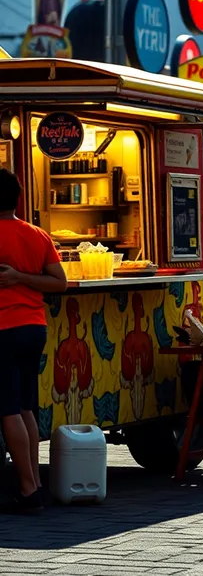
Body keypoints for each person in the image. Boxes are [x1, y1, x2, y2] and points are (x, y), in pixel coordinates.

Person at [0, 168, 67, 512]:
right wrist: (25, 278)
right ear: (17, 199)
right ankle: (35, 483)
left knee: (8, 409)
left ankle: (26, 489)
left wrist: (13, 278)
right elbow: (60, 282)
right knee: (26, 406)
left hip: (3, 330)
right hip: (34, 328)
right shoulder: (37, 234)